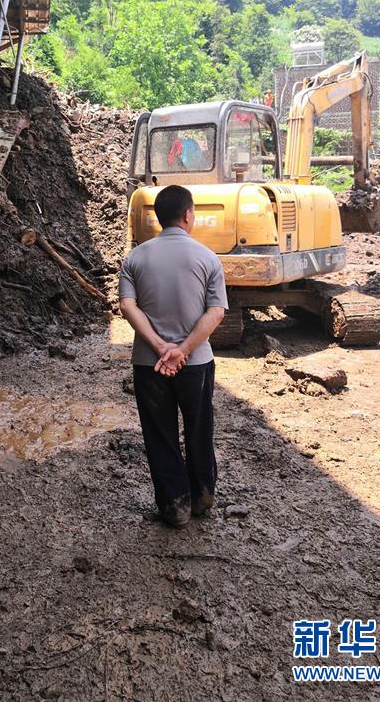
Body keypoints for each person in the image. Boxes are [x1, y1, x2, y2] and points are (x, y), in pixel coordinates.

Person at [119, 185, 227, 528]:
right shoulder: (208, 258)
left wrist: (158, 345)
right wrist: (183, 349)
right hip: (195, 363)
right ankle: (202, 494)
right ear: (188, 215)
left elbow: (126, 305)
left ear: (157, 218)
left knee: (160, 433)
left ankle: (174, 506)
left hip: (148, 363)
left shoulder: (134, 258)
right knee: (199, 427)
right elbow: (216, 312)